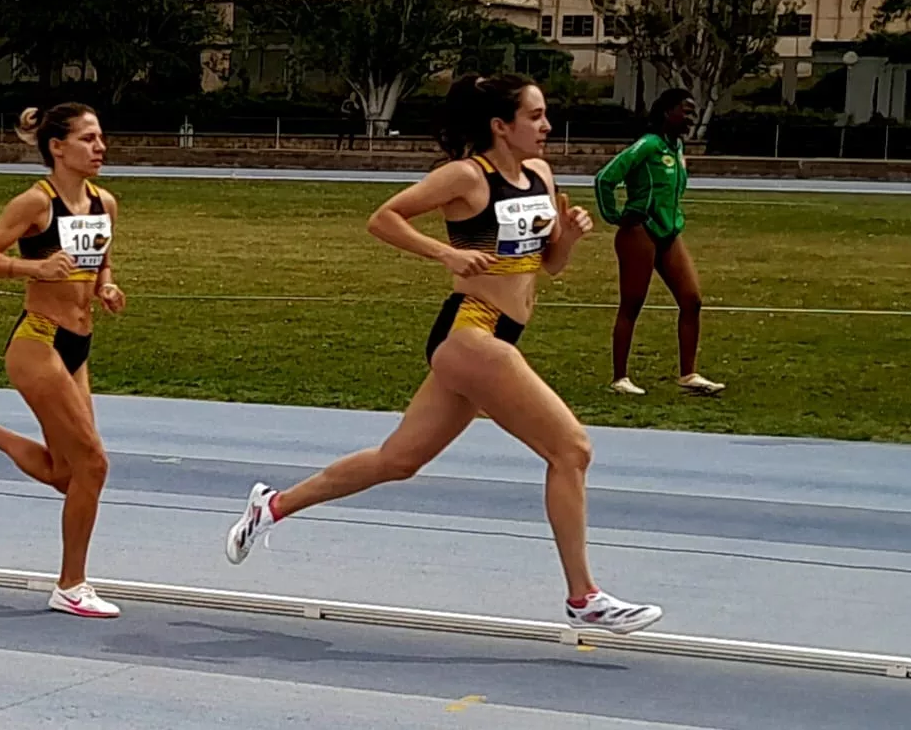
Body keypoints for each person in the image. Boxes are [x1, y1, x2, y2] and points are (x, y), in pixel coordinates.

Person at [224, 73, 664, 635]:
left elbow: (546, 265)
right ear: (500, 127)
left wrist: (570, 237)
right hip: (469, 334)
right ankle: (584, 596)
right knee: (571, 450)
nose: (547, 126)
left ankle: (273, 505)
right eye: (535, 116)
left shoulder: (541, 176)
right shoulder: (464, 178)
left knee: (397, 461)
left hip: (502, 332)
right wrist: (443, 254)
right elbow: (383, 218)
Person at [0, 102, 126, 618]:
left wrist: (106, 286)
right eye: (87, 139)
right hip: (37, 342)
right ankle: (70, 585)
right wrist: (33, 269)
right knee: (94, 465)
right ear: (57, 147)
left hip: (78, 345)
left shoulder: (105, 203)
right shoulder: (35, 204)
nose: (100, 147)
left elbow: (99, 260)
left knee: (70, 474)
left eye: (101, 138)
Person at [593, 88, 724, 397]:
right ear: (667, 112)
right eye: (686, 111)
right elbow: (605, 178)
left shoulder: (676, 147)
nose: (690, 118)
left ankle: (688, 375)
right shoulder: (648, 145)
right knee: (632, 303)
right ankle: (620, 378)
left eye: (693, 112)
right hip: (640, 231)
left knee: (692, 300)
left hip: (669, 232)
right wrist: (615, 216)